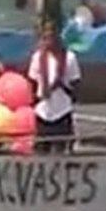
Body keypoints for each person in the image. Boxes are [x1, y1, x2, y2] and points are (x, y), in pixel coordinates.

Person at [27, 18, 82, 153]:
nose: (49, 36)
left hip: (62, 110)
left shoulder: (69, 57)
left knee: (61, 152)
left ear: (59, 34)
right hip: (43, 111)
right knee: (41, 152)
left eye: (52, 32)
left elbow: (75, 81)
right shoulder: (37, 57)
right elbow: (32, 81)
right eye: (46, 33)